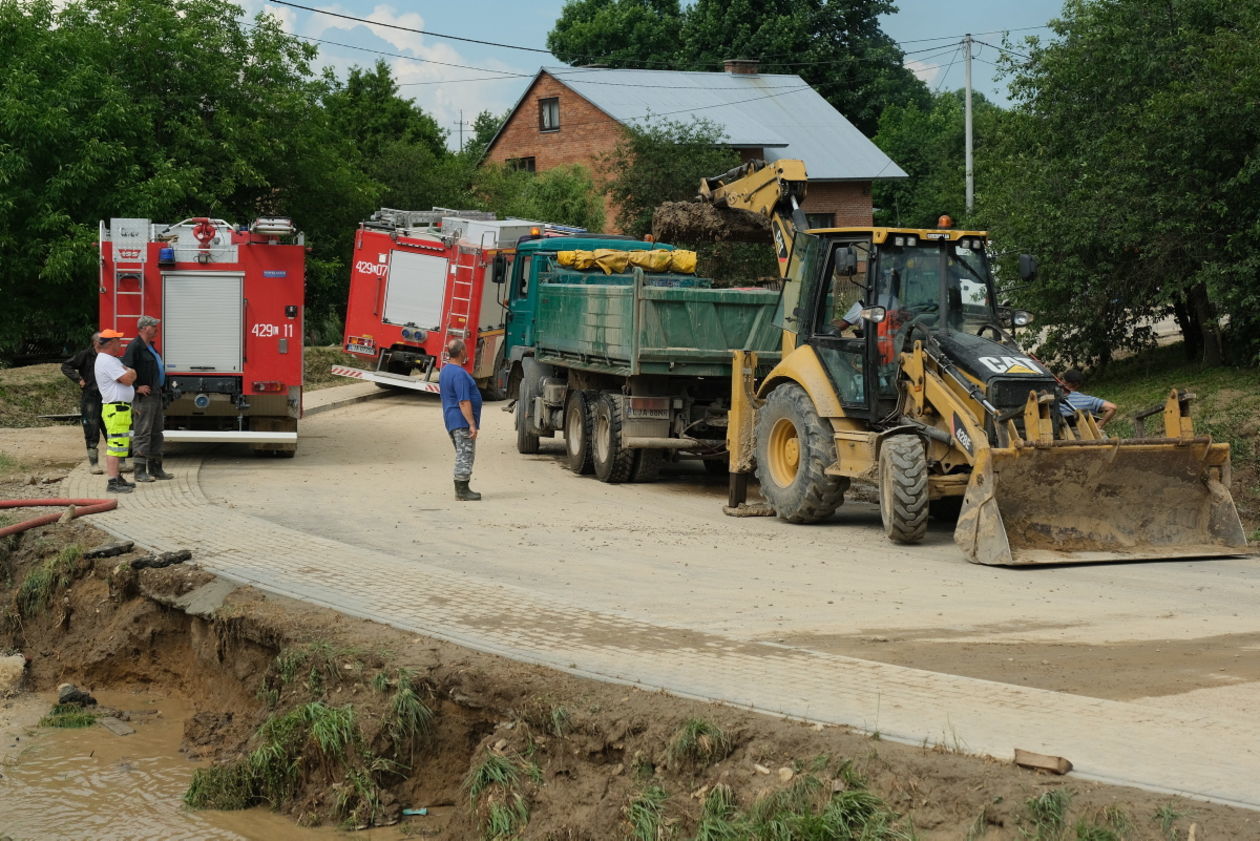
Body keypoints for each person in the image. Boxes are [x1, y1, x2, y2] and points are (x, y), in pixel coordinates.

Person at [121, 315, 173, 482]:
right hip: (144, 397)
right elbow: (125, 370)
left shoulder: (150, 346)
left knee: (157, 432)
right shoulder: (135, 347)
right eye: (153, 326)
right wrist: (136, 387)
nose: (156, 328)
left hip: (155, 394)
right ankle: (140, 471)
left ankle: (156, 468)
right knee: (143, 432)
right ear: (144, 328)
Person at [93, 330, 137, 494]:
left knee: (120, 445)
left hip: (120, 409)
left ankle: (117, 477)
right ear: (111, 343)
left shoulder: (111, 360)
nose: (121, 343)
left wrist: (130, 373)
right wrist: (131, 372)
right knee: (115, 446)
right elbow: (128, 379)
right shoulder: (107, 361)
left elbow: (129, 375)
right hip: (115, 408)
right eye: (118, 340)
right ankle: (112, 481)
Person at [438, 339, 483, 501]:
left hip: (451, 419)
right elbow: (463, 401)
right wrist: (472, 423)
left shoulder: (445, 371)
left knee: (462, 453)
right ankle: (462, 491)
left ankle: (463, 488)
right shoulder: (459, 374)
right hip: (461, 420)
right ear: (462, 351)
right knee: (465, 454)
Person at [61, 332, 106, 474]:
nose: (104, 341)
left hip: (106, 396)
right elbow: (66, 366)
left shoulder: (107, 355)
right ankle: (94, 464)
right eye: (101, 339)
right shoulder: (85, 354)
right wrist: (78, 379)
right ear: (94, 342)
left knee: (111, 430)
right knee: (91, 430)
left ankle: (119, 463)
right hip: (90, 397)